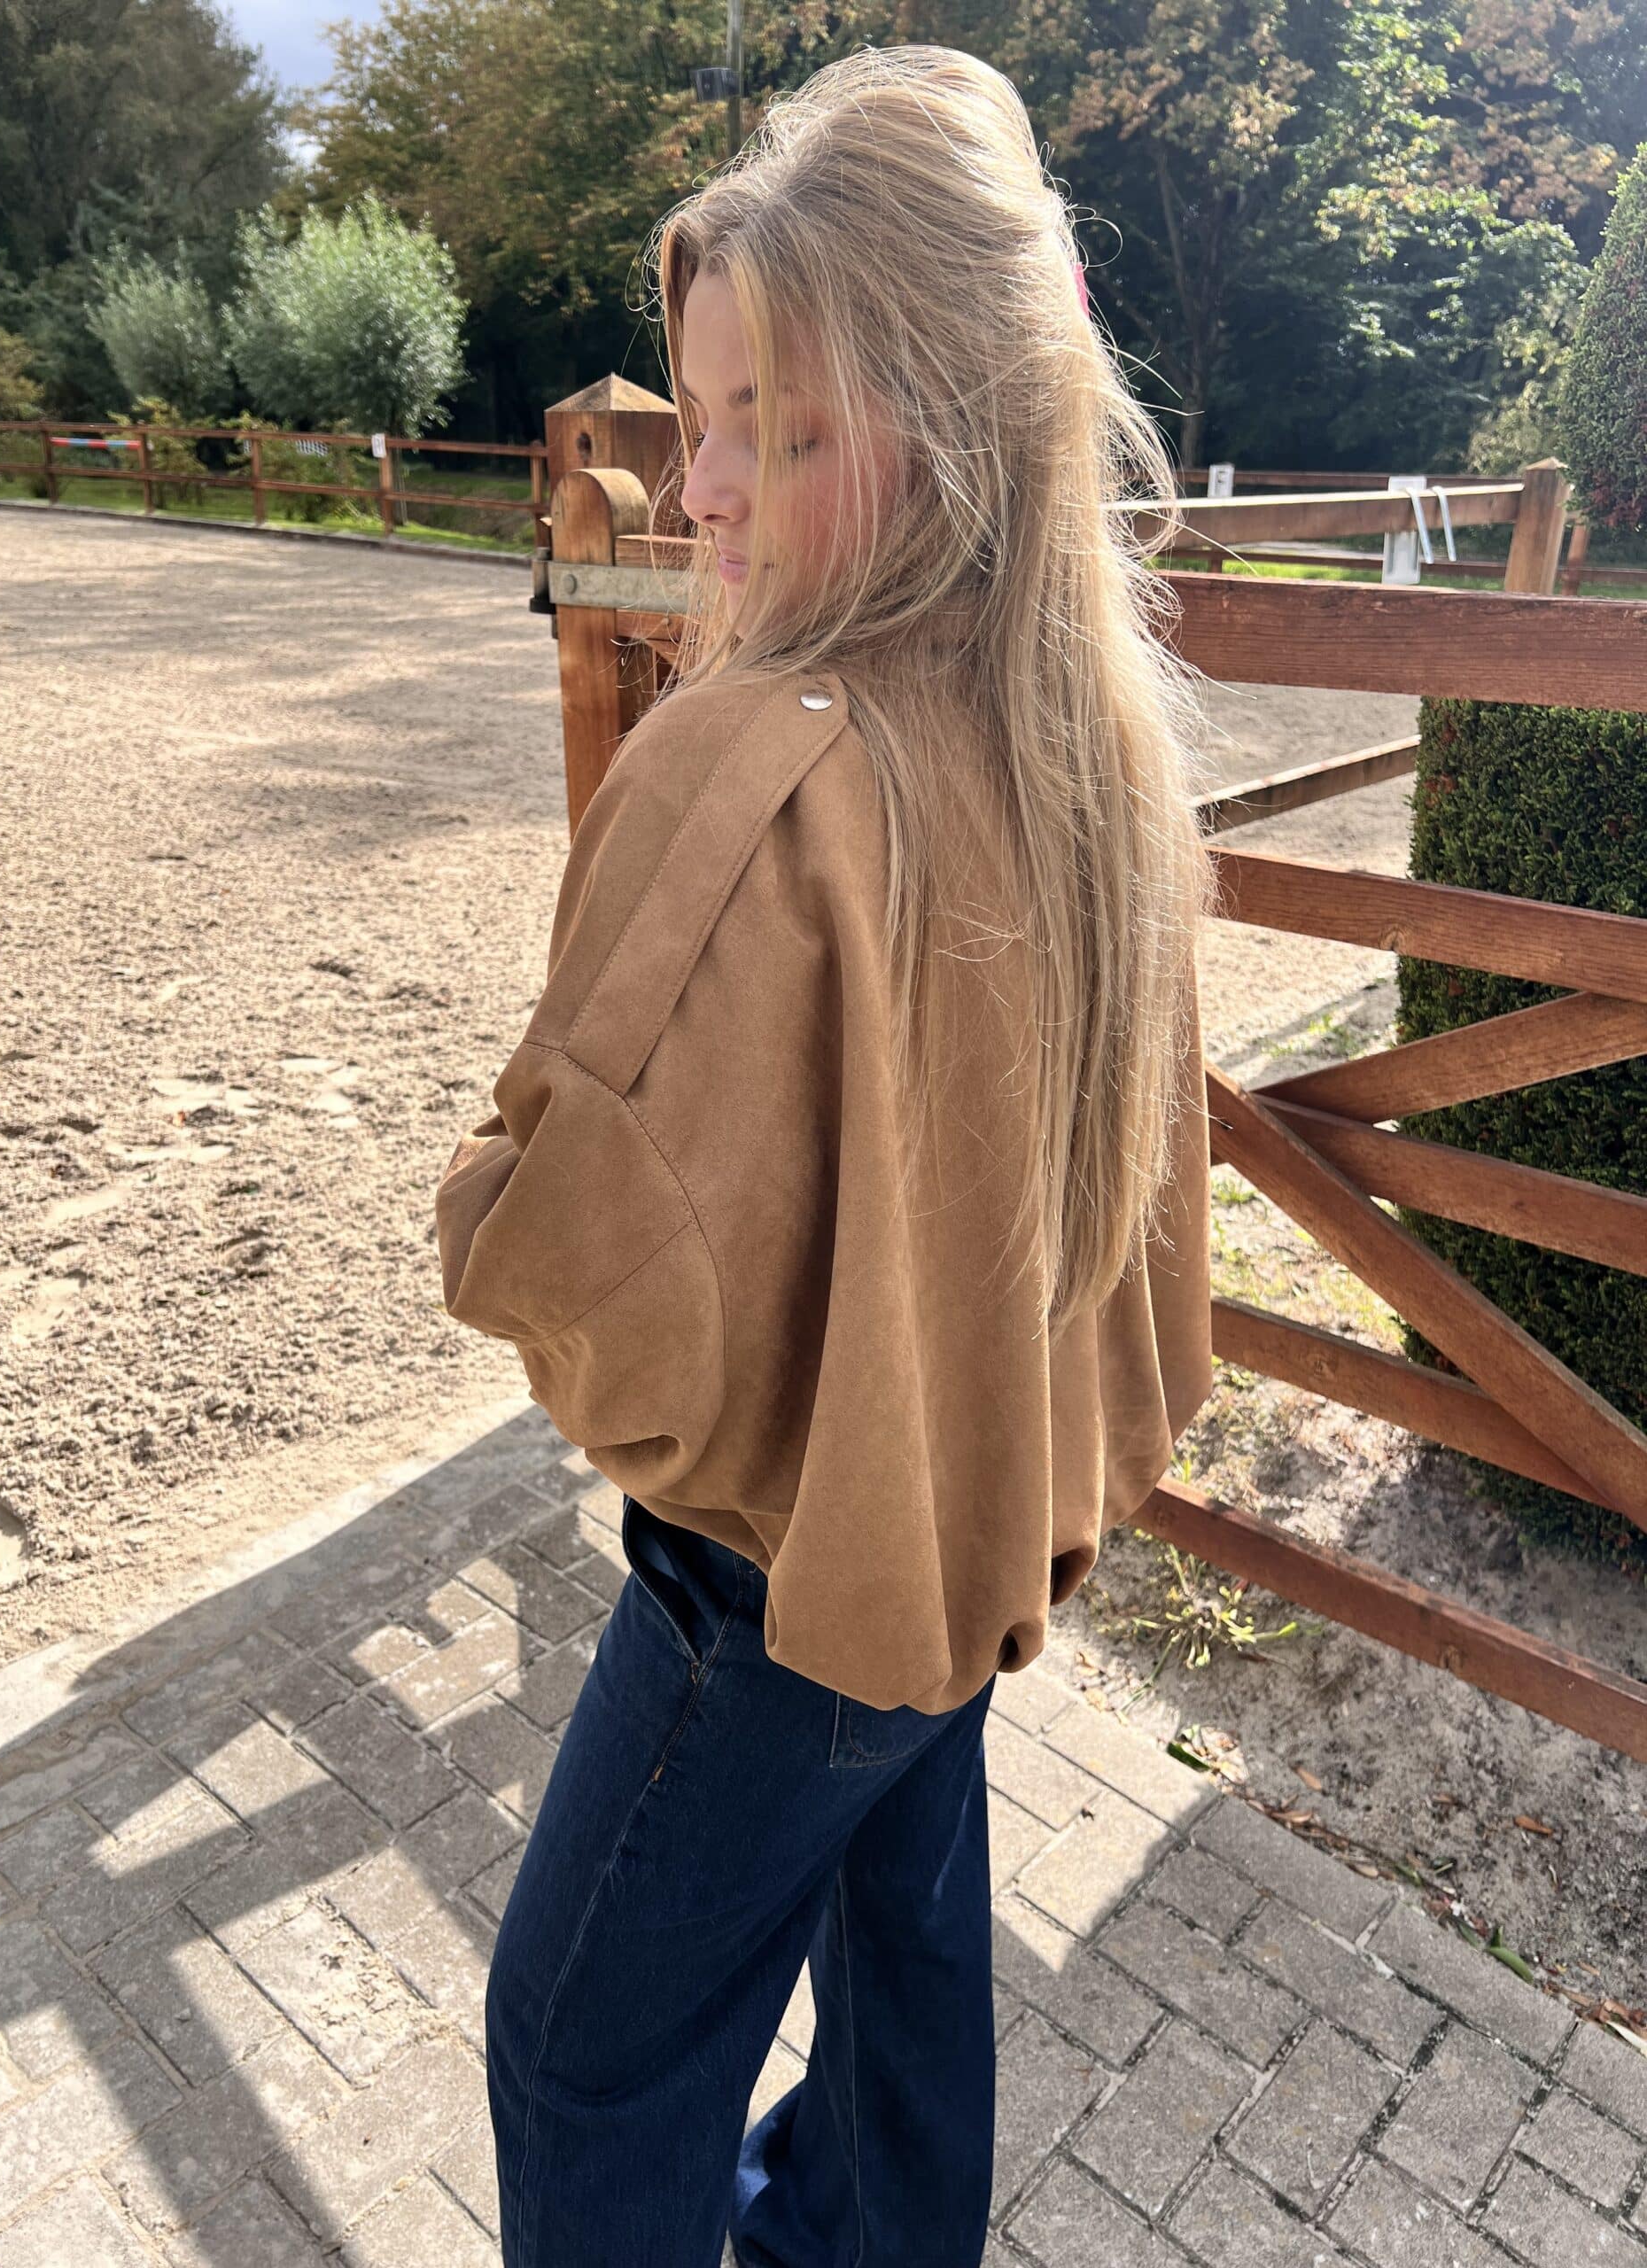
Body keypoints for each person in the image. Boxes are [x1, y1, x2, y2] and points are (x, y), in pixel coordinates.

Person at [433, 42, 1219, 2268]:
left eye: (776, 430)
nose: (703, 492)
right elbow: (1153, 1218)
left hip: (771, 1586)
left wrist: (485, 1213)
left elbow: (605, 1302)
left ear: (954, 421)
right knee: (903, 1982)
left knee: (583, 2047)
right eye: (703, 424)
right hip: (980, 1517)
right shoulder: (1103, 755)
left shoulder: (752, 768)